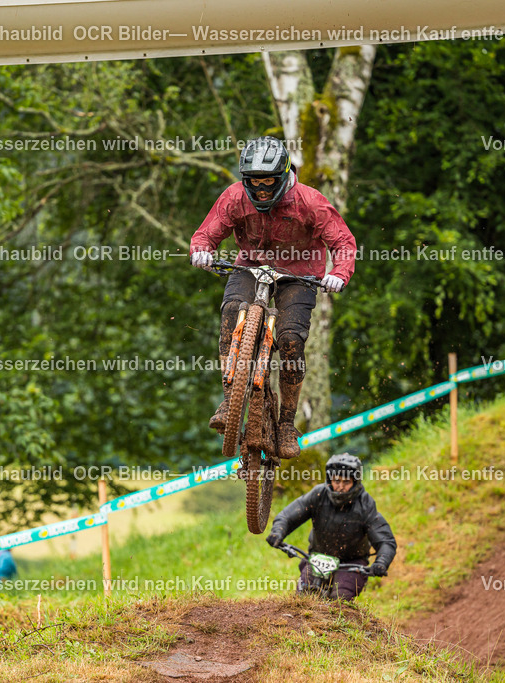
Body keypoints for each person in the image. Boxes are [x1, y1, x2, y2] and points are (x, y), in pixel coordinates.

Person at [189, 136, 357, 459]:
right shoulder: (235, 198)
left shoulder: (310, 201)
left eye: (269, 182)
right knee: (230, 315)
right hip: (250, 266)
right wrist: (201, 251)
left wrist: (338, 273)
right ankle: (230, 399)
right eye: (255, 183)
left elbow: (343, 243)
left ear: (283, 175)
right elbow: (206, 233)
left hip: (300, 274)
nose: (262, 190)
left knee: (291, 339)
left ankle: (286, 425)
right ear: (244, 180)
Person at [266, 453, 396, 601]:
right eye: (336, 481)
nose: (340, 487)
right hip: (318, 557)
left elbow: (385, 540)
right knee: (303, 598)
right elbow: (288, 515)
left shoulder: (365, 504)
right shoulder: (319, 494)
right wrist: (278, 532)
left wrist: (381, 562)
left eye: (346, 482)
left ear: (355, 482)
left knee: (340, 599)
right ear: (330, 480)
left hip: (352, 562)